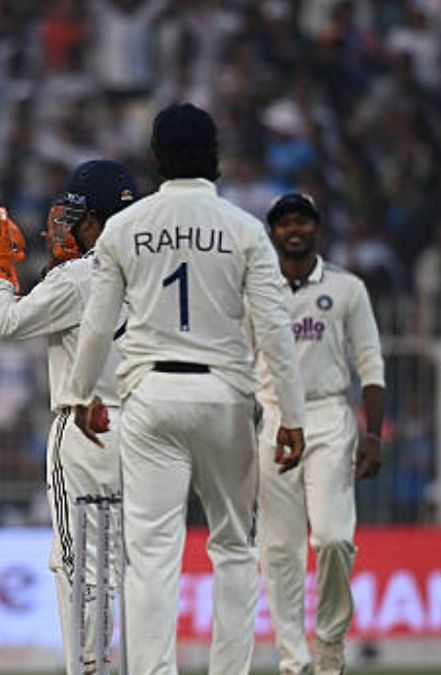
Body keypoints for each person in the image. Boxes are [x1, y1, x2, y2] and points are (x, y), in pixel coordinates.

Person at [68, 102, 307, 675]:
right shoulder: (246, 231)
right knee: (233, 548)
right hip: (226, 396)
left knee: (151, 555)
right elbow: (274, 329)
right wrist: (291, 417)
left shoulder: (124, 228)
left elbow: (99, 323)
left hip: (149, 396)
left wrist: (82, 393)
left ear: (154, 158)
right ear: (215, 157)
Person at [0, 160, 138, 675]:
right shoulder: (145, 269)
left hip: (85, 428)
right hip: (143, 430)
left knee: (79, 564)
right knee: (122, 567)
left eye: (76, 215)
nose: (63, 225)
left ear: (96, 221)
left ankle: (88, 668)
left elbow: (7, 322)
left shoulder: (82, 275)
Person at [257, 193, 386, 675]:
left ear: (316, 230)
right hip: (272, 418)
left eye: (302, 221)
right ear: (272, 232)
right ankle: (294, 661)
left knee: (333, 538)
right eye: (285, 222)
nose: (294, 229)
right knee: (280, 550)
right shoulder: (257, 288)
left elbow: (370, 365)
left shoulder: (347, 288)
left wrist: (373, 436)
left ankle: (329, 640)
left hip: (329, 416)